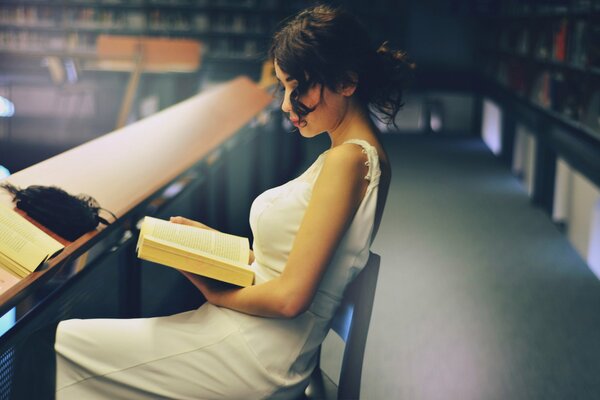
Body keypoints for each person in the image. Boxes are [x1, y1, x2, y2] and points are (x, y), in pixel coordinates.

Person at [23, 4, 413, 399]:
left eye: (299, 88)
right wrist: (213, 246)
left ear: (347, 82)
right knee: (67, 344)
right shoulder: (354, 156)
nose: (285, 104)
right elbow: (300, 263)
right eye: (284, 87)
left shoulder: (349, 161)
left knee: (53, 345)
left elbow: (291, 297)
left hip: (259, 354)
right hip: (257, 338)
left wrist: (214, 290)